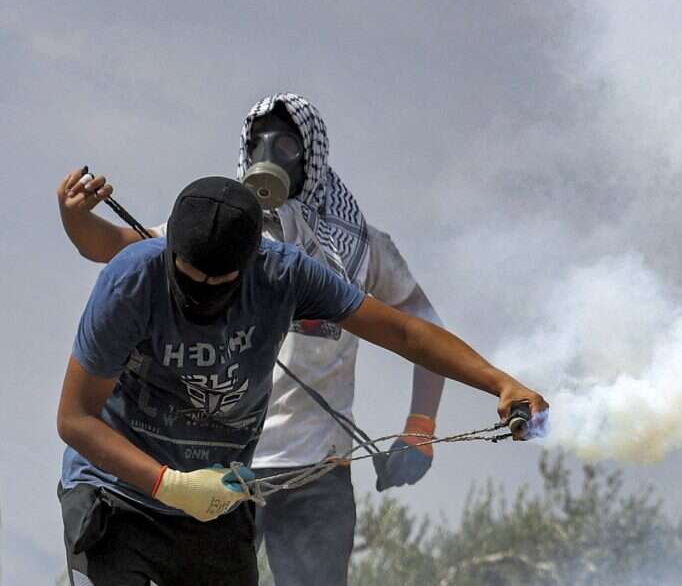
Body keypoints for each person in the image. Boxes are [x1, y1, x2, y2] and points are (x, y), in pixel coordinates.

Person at [57, 176, 548, 586]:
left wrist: (501, 382)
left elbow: (404, 332)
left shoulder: (287, 275)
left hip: (214, 503)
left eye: (218, 282)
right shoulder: (131, 280)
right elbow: (75, 418)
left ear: (250, 263)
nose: (200, 293)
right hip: (116, 492)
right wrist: (169, 484)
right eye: (188, 277)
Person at [58, 93, 446, 584]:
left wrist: (420, 426)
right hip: (219, 469)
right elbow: (117, 250)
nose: (269, 156)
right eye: (257, 142)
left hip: (316, 470)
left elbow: (420, 331)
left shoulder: (365, 249)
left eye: (285, 144)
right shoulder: (219, 232)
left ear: (312, 156)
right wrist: (76, 219)